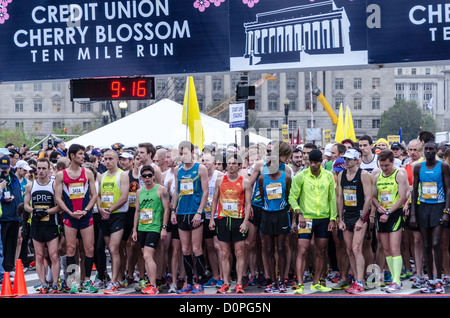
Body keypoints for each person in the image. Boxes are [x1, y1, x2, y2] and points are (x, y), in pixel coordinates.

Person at [288, 149, 337, 294]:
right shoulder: (301, 176)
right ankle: (300, 283)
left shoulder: (328, 176)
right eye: (310, 162)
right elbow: (292, 196)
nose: (313, 165)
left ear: (321, 162)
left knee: (321, 250)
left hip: (323, 218)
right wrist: (299, 213)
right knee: (302, 249)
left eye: (315, 162)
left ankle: (317, 282)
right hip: (306, 217)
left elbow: (332, 198)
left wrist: (333, 218)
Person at [54, 144, 98, 294]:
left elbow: (94, 196)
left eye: (83, 154)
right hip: (70, 216)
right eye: (80, 154)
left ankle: (86, 281)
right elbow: (58, 198)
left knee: (89, 249)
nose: (83, 156)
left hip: (85, 216)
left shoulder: (88, 173)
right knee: (71, 249)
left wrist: (85, 210)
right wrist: (70, 212)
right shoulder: (61, 175)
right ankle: (73, 281)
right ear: (72, 155)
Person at [409, 141, 450, 294]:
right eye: (426, 149)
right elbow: (414, 190)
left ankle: (439, 280)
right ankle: (431, 280)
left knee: (435, 243)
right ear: (423, 150)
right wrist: (413, 213)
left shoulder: (444, 166)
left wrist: (447, 211)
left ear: (435, 151)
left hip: (439, 207)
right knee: (426, 244)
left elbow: (448, 189)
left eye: (431, 149)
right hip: (423, 207)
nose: (428, 151)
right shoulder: (419, 167)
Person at [209, 154, 252, 294]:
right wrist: (211, 219)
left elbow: (248, 204)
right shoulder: (220, 180)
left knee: (239, 252)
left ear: (239, 165)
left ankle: (239, 283)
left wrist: (245, 222)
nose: (231, 166)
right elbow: (215, 200)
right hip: (223, 219)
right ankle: (226, 282)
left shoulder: (245, 182)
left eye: (234, 163)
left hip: (238, 220)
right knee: (224, 253)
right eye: (229, 163)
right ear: (226, 165)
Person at [172, 141, 209, 294]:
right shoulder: (177, 169)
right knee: (185, 249)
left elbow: (205, 192)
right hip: (181, 212)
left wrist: (199, 212)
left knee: (196, 248)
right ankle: (188, 281)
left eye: (185, 153)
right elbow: (176, 191)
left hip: (195, 212)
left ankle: (200, 281)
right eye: (180, 153)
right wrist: (174, 211)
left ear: (192, 152)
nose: (183, 156)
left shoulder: (200, 168)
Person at [372, 149, 409, 293]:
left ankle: (397, 281)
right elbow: (373, 196)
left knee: (394, 249)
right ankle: (393, 279)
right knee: (385, 248)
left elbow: (401, 198)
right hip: (381, 214)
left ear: (392, 162)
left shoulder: (399, 174)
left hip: (394, 214)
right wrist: (378, 207)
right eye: (382, 165)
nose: (384, 168)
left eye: (386, 165)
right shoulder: (377, 175)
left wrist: (388, 212)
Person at [336, 149, 372, 294]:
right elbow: (339, 197)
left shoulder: (363, 175)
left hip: (359, 215)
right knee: (349, 249)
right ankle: (356, 279)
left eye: (350, 159)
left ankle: (360, 282)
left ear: (357, 160)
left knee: (357, 248)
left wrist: (362, 218)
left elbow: (368, 198)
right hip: (347, 215)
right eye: (345, 159)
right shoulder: (341, 174)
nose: (346, 161)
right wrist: (340, 218)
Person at [23, 158, 62, 293]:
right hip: (36, 225)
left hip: (51, 224)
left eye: (43, 168)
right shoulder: (30, 186)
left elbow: (59, 206)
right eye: (38, 168)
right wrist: (34, 211)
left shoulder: (53, 185)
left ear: (49, 169)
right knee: (39, 256)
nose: (40, 171)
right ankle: (43, 283)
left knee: (53, 255)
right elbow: (26, 205)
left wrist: (46, 211)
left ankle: (55, 283)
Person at [132, 165, 170, 294]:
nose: (147, 178)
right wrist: (134, 230)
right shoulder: (139, 191)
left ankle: (153, 285)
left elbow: (166, 209)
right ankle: (151, 282)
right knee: (145, 256)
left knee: (148, 255)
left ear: (153, 176)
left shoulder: (161, 189)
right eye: (144, 176)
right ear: (141, 178)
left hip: (154, 227)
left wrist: (164, 227)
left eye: (149, 175)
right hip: (142, 226)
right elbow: (137, 211)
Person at [258, 154, 292, 293]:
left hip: (281, 214)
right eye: (268, 164)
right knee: (268, 249)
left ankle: (282, 280)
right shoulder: (262, 178)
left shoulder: (286, 177)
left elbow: (288, 195)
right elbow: (262, 195)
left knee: (280, 248)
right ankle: (272, 281)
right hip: (267, 214)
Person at [98, 150, 129, 294]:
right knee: (111, 249)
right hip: (104, 216)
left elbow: (124, 197)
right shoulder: (102, 176)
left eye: (110, 158)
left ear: (117, 160)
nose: (108, 161)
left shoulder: (122, 175)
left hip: (117, 215)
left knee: (114, 247)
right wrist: (100, 209)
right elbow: (97, 196)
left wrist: (109, 210)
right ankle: (119, 278)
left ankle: (114, 281)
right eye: (105, 159)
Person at [201, 153, 224, 288]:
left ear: (213, 163)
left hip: (217, 216)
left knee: (218, 246)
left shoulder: (219, 176)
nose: (204, 163)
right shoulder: (199, 177)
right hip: (204, 215)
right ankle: (215, 276)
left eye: (207, 161)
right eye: (202, 160)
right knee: (209, 247)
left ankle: (223, 275)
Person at [0, 155, 23, 275]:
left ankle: (9, 267)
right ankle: (2, 268)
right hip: (3, 217)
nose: (4, 170)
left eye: (6, 168)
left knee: (12, 243)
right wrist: (3, 199)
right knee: (2, 244)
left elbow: (18, 196)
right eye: (2, 168)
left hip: (15, 216)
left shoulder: (13, 178)